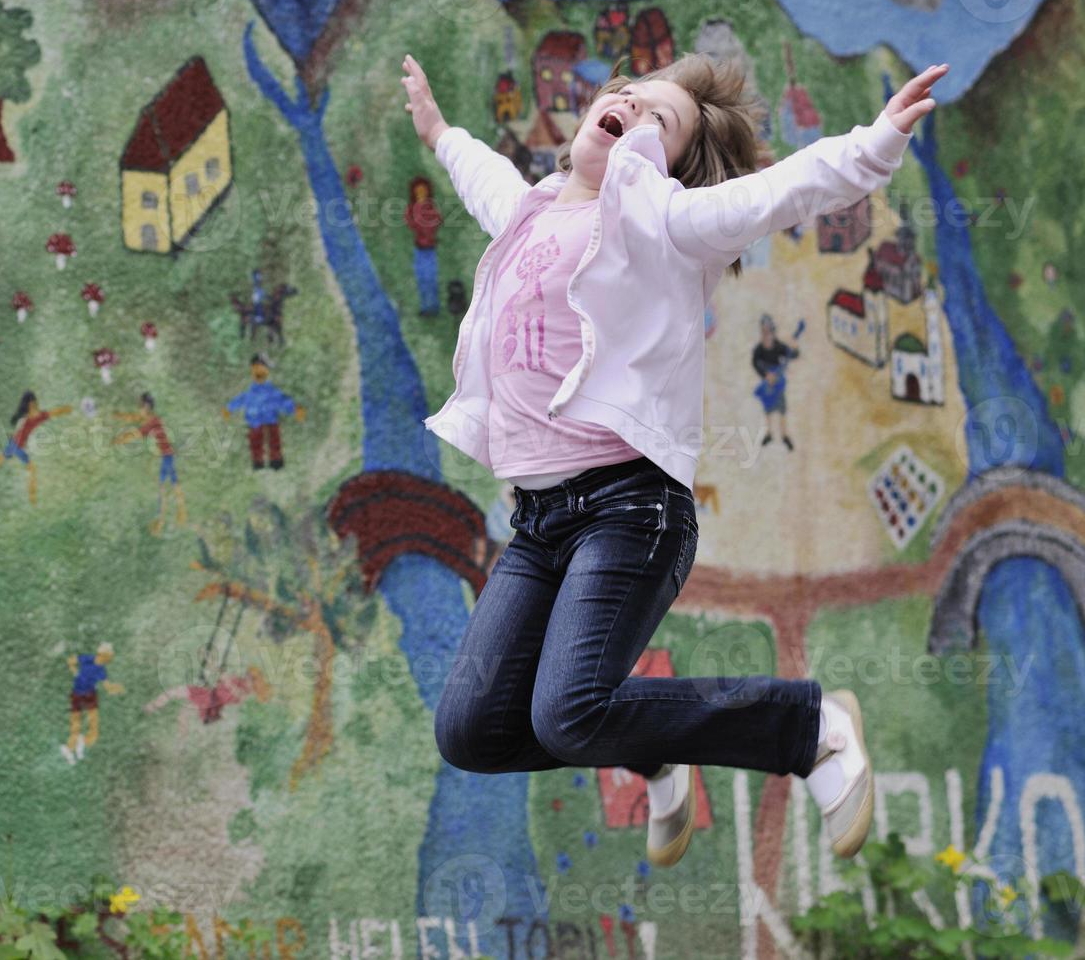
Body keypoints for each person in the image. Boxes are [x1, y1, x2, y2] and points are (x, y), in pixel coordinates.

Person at [403, 49, 944, 865]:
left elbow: (777, 192)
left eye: (662, 119)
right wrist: (440, 130)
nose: (631, 109)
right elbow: (486, 179)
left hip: (629, 511)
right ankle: (652, 746)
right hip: (540, 523)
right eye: (624, 97)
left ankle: (811, 727)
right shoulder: (531, 211)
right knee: (471, 731)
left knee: (567, 712)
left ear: (672, 166)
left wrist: (874, 143)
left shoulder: (666, 225)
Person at [0, 390, 76, 505]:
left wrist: (66, 409)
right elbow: (20, 429)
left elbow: (53, 412)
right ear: (28, 407)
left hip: (14, 444)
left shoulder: (38, 417)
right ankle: (32, 498)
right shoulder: (25, 419)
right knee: (31, 468)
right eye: (32, 405)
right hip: (16, 446)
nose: (35, 407)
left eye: (36, 404)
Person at [112, 392, 187, 534]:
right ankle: (170, 516)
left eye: (140, 405)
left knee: (169, 485)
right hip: (167, 455)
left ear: (146, 407)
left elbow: (138, 433)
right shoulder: (150, 418)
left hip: (167, 456)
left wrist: (120, 440)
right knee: (169, 485)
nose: (138, 408)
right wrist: (119, 416)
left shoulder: (152, 421)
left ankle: (168, 517)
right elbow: (134, 418)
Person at [63, 643, 125, 764]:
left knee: (93, 724)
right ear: (101, 655)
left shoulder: (101, 670)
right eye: (106, 657)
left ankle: (82, 742)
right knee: (76, 723)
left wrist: (117, 688)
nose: (106, 661)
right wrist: (75, 672)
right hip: (78, 694)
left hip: (90, 695)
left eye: (108, 659)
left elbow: (108, 687)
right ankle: (71, 747)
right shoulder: (88, 659)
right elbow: (70, 660)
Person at [752, 313, 803, 450]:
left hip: (778, 384)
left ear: (773, 332)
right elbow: (755, 363)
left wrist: (795, 347)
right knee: (768, 409)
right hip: (768, 385)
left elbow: (793, 355)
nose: (767, 335)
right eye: (764, 332)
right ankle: (769, 434)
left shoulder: (779, 347)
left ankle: (784, 435)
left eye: (769, 332)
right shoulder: (759, 350)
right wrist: (766, 375)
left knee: (782, 409)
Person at [406, 176, 444, 315]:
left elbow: (437, 220)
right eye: (418, 191)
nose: (421, 194)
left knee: (431, 278)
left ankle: (433, 306)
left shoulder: (430, 208)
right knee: (422, 278)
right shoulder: (412, 208)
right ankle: (425, 306)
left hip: (430, 248)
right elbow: (410, 222)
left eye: (423, 191)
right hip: (419, 248)